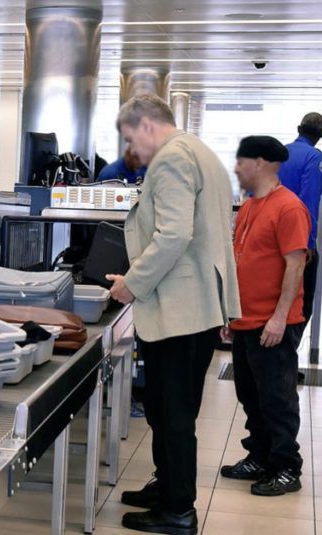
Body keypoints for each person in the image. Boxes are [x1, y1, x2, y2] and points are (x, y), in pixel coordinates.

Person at [105, 94, 240, 535]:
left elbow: (173, 235)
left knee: (174, 413)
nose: (134, 152)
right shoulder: (201, 152)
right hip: (198, 304)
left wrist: (132, 283)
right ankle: (167, 487)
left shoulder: (169, 159)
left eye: (131, 139)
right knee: (166, 409)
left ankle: (178, 511)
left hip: (180, 311)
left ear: (146, 125)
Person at [223, 136, 308, 496]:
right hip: (245, 320)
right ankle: (259, 456)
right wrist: (230, 313)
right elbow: (240, 262)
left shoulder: (288, 207)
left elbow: (295, 265)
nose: (237, 168)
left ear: (261, 163)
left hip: (272, 323)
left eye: (241, 161)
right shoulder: (249, 206)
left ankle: (287, 467)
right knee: (250, 395)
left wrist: (278, 317)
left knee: (277, 398)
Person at [277, 112, 322, 322]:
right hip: (295, 242)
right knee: (301, 307)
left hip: (270, 239)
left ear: (298, 129)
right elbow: (308, 201)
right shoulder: (314, 158)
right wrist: (308, 242)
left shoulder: (278, 153)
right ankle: (284, 350)